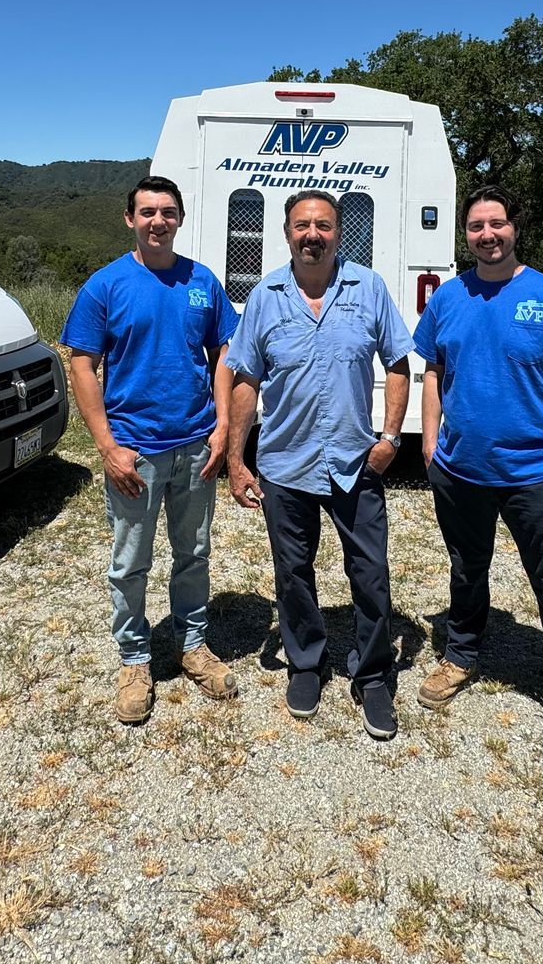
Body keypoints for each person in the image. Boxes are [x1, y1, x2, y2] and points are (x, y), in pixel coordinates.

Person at [411, 186, 543, 776]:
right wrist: (428, 445)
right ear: (464, 235)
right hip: (459, 472)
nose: (487, 235)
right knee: (466, 570)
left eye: (496, 224)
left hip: (534, 475)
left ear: (514, 229)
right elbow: (432, 373)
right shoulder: (448, 299)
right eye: (476, 227)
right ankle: (462, 656)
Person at [220, 190, 412, 738]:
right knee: (293, 574)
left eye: (323, 225)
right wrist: (238, 459)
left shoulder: (368, 287)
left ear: (338, 233)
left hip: (356, 461)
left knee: (370, 574)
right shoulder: (264, 296)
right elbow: (245, 380)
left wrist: (391, 438)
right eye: (302, 225)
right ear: (286, 233)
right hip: (285, 463)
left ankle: (373, 675)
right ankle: (306, 663)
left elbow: (398, 362)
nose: (312, 234)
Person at [62, 175, 240, 725]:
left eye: (167, 212)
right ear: (130, 219)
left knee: (193, 554)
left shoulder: (202, 282)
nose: (157, 221)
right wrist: (107, 445)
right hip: (134, 451)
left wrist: (222, 428)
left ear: (180, 219)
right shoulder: (105, 286)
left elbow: (224, 353)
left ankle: (192, 646)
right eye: (147, 212)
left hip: (194, 445)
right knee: (130, 561)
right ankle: (135, 660)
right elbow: (82, 364)